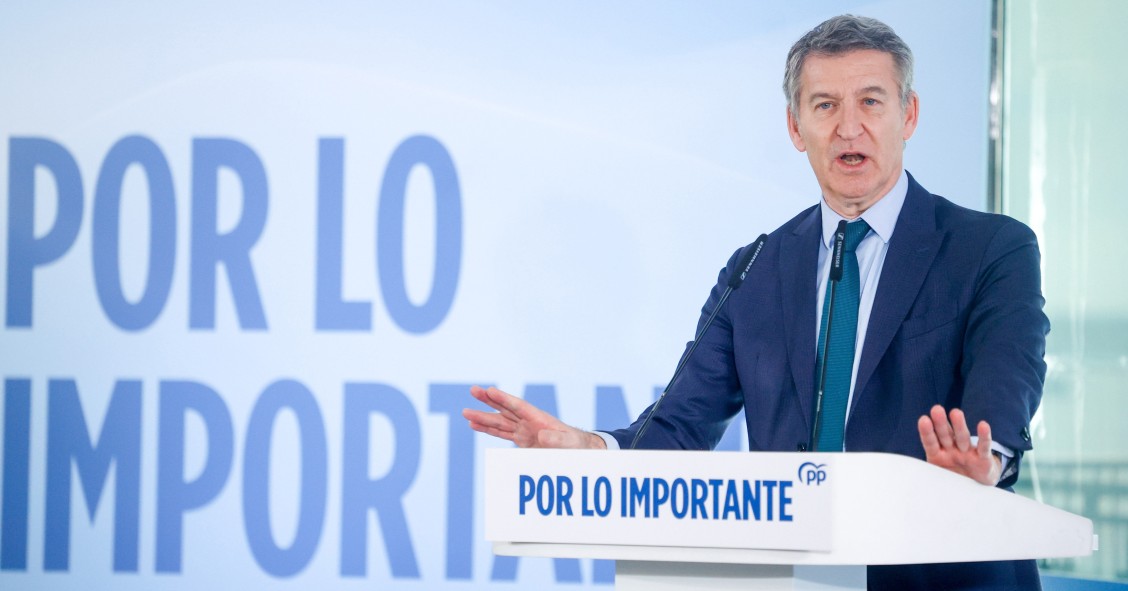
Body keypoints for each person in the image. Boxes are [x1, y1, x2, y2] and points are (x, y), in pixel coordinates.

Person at [463, 14, 1048, 591]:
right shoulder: (755, 269)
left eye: (871, 102)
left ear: (908, 115)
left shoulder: (989, 248)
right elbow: (679, 427)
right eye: (825, 106)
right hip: (799, 578)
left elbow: (1008, 375)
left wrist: (986, 459)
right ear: (796, 128)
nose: (849, 128)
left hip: (948, 577)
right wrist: (589, 448)